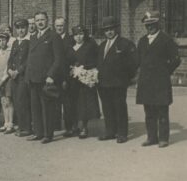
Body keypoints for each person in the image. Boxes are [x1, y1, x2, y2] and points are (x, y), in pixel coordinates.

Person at [136, 11, 181, 148]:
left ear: (158, 24)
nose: (150, 27)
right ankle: (151, 137)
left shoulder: (166, 39)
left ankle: (163, 138)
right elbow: (139, 59)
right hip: (146, 81)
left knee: (162, 110)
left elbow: (176, 59)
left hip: (160, 81)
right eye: (148, 25)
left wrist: (165, 71)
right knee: (148, 110)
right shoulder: (142, 41)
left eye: (153, 24)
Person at [25, 11, 65, 144]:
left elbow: (58, 59)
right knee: (35, 107)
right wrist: (28, 76)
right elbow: (30, 58)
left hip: (46, 79)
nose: (40, 22)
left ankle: (48, 134)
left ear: (47, 20)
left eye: (42, 20)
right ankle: (38, 132)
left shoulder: (54, 36)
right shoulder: (33, 37)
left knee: (47, 108)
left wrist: (51, 75)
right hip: (33, 78)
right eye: (37, 20)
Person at [97, 16, 138, 144]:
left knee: (119, 107)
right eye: (106, 30)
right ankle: (110, 131)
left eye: (111, 29)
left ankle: (122, 133)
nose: (109, 32)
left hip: (118, 83)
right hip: (103, 83)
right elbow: (99, 63)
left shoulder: (125, 44)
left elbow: (134, 63)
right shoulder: (102, 45)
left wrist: (127, 78)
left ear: (116, 29)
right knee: (107, 108)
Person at [67, 25, 100, 139]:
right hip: (73, 80)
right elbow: (67, 61)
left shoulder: (89, 47)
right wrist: (70, 69)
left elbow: (94, 61)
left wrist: (83, 68)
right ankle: (75, 126)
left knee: (84, 103)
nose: (78, 37)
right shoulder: (71, 47)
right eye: (76, 35)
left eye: (81, 34)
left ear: (84, 35)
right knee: (73, 103)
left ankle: (84, 127)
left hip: (84, 79)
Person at [8, 18, 32, 137]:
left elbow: (28, 60)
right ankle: (21, 126)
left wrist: (18, 71)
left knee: (23, 101)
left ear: (27, 28)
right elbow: (11, 58)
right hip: (14, 77)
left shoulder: (29, 41)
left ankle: (27, 128)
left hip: (23, 76)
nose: (21, 30)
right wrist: (9, 70)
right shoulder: (15, 42)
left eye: (23, 28)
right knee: (17, 101)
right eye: (18, 28)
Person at [54, 17, 76, 136]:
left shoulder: (71, 39)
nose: (59, 28)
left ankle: (70, 127)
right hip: (55, 75)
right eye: (57, 26)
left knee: (68, 103)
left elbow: (72, 58)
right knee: (55, 101)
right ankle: (56, 124)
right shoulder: (53, 38)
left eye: (61, 25)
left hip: (67, 75)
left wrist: (67, 77)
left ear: (65, 26)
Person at [0, 32, 14, 134]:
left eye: (4, 40)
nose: (2, 42)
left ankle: (11, 123)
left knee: (8, 101)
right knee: (3, 101)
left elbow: (8, 67)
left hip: (7, 80)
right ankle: (5, 122)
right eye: (0, 40)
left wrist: (3, 79)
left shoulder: (10, 52)